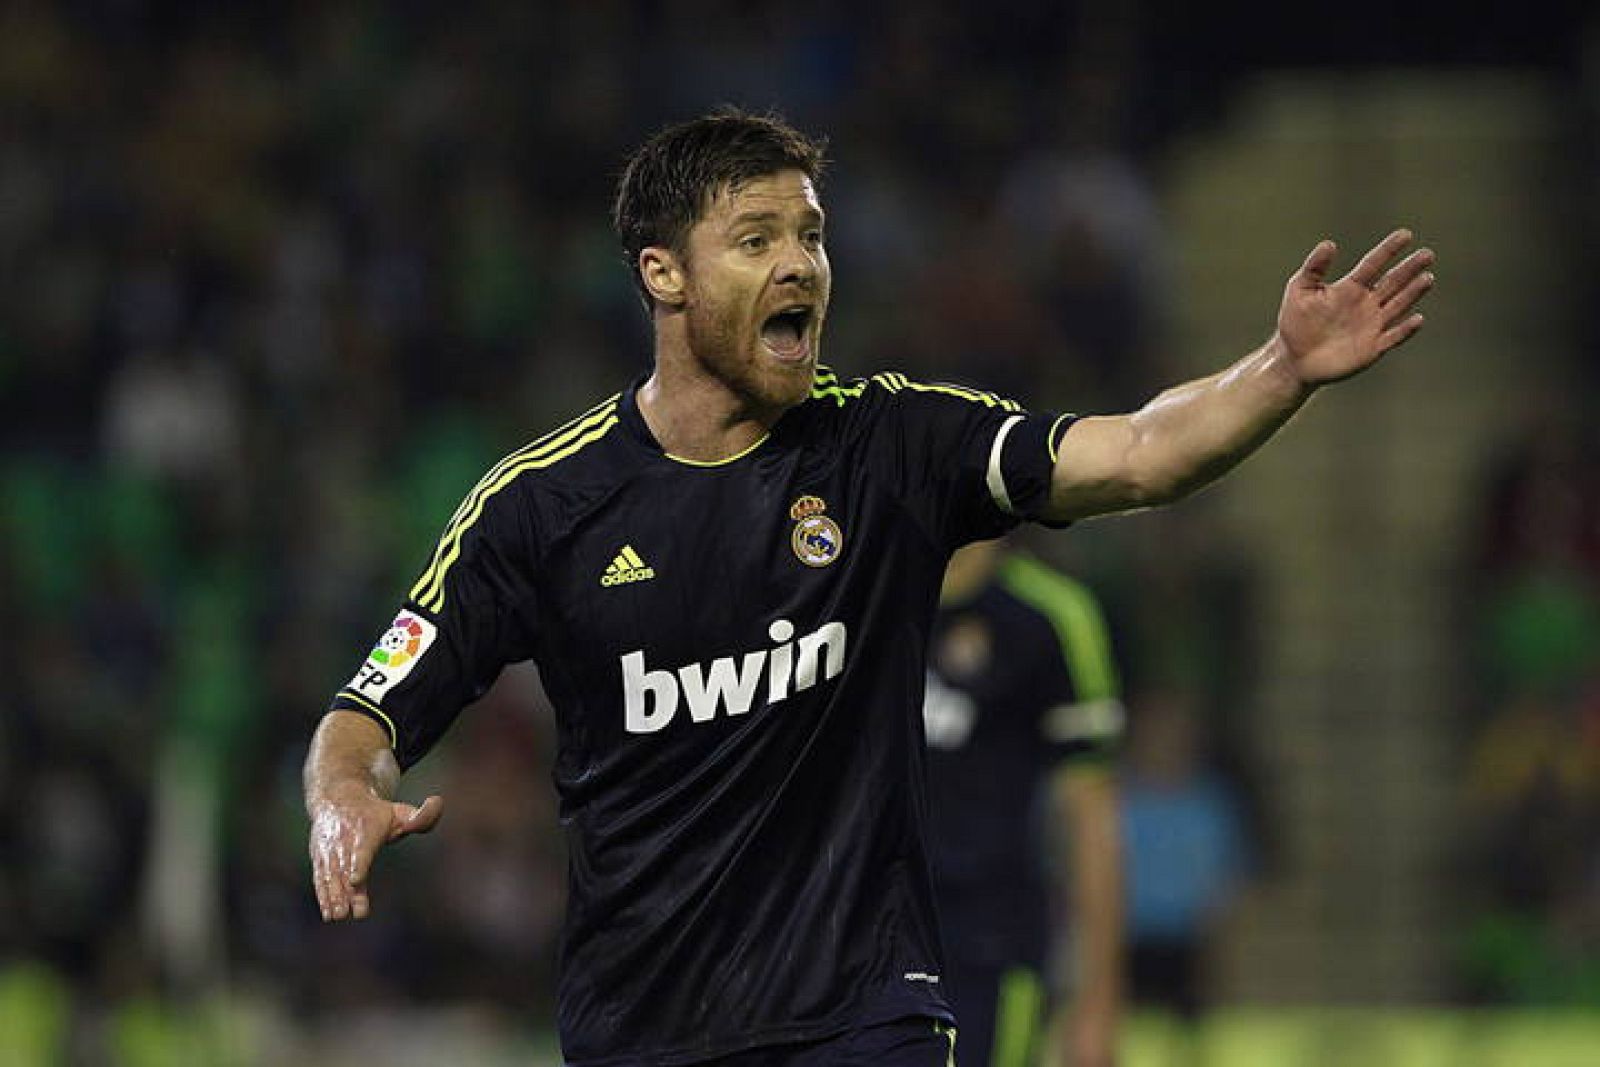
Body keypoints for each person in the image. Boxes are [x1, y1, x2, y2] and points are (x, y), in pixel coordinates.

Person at [303, 108, 1435, 1067]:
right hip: (641, 1024)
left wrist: (1280, 369)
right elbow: (369, 707)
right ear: (663, 273)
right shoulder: (540, 506)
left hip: (865, 1012)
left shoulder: (888, 444)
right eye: (754, 239)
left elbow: (1136, 451)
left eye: (810, 234)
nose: (798, 263)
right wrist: (342, 792)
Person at [922, 538, 1125, 1067]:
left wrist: (1098, 1007)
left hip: (990, 947)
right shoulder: (850, 588)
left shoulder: (1050, 617)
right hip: (855, 946)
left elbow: (1091, 816)